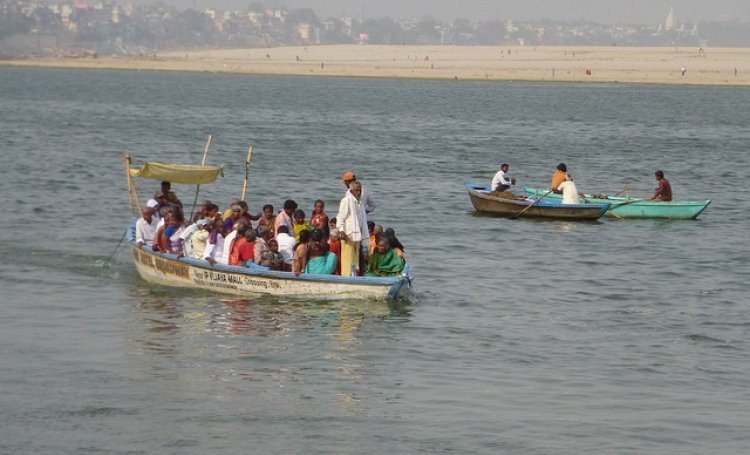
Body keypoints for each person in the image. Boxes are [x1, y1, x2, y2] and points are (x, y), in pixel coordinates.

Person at [336, 181, 369, 277]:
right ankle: (347, 275)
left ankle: (355, 275)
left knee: (355, 258)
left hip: (357, 235)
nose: (359, 192)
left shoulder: (359, 202)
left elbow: (361, 219)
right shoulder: (346, 200)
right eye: (357, 190)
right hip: (348, 234)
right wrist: (341, 231)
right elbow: (341, 217)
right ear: (352, 191)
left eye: (360, 190)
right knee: (347, 258)